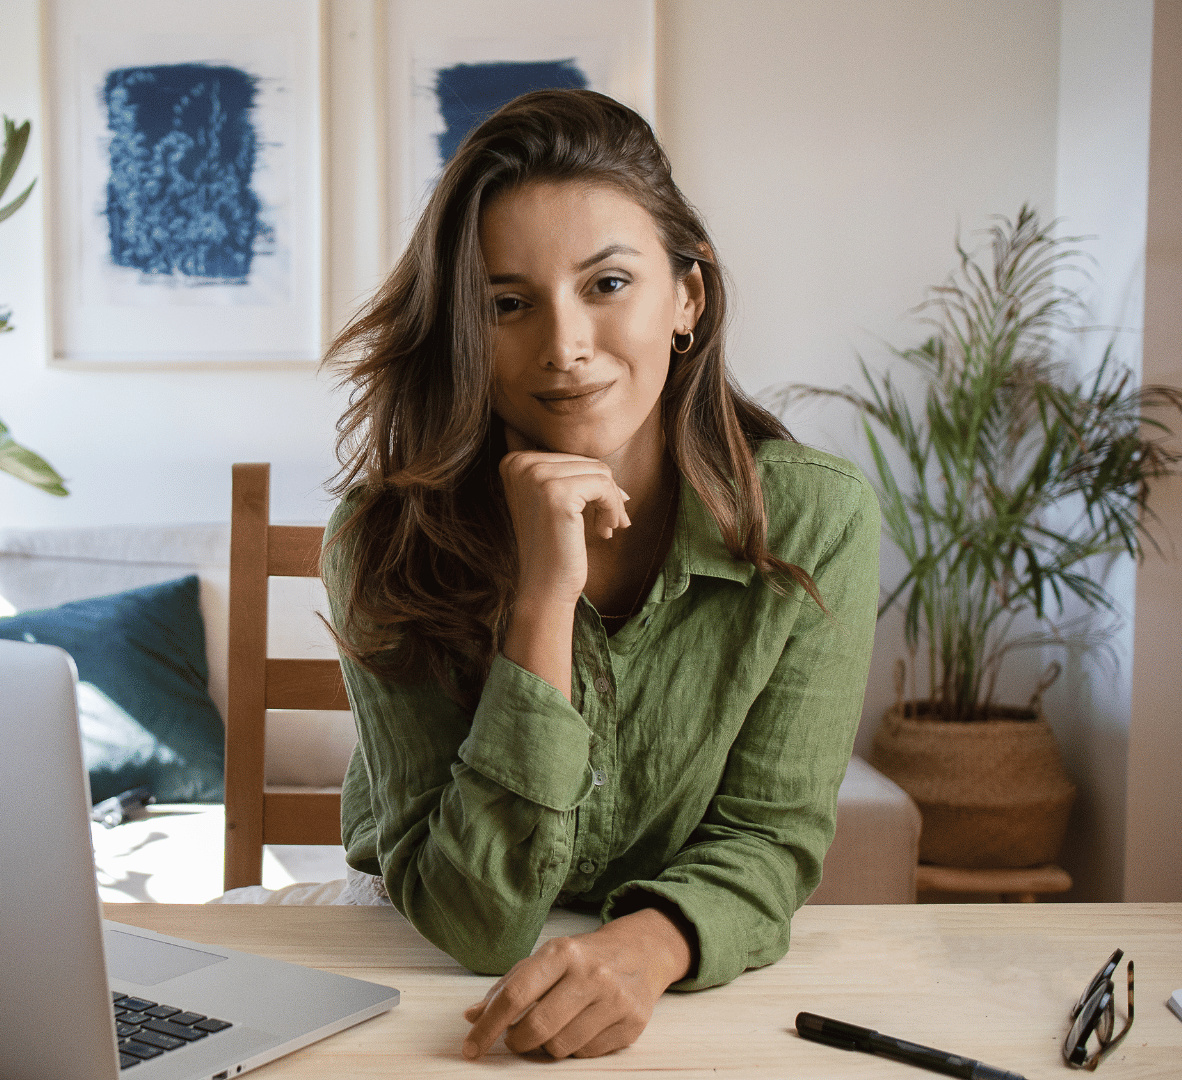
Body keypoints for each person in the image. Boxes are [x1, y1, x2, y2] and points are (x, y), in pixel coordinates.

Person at [320, 89, 880, 1061]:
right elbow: (475, 922)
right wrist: (543, 598)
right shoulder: (382, 539)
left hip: (687, 996)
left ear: (687, 299)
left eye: (607, 284)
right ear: (464, 328)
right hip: (420, 988)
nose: (565, 347)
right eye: (507, 303)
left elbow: (770, 836)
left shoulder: (814, 518)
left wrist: (647, 949)